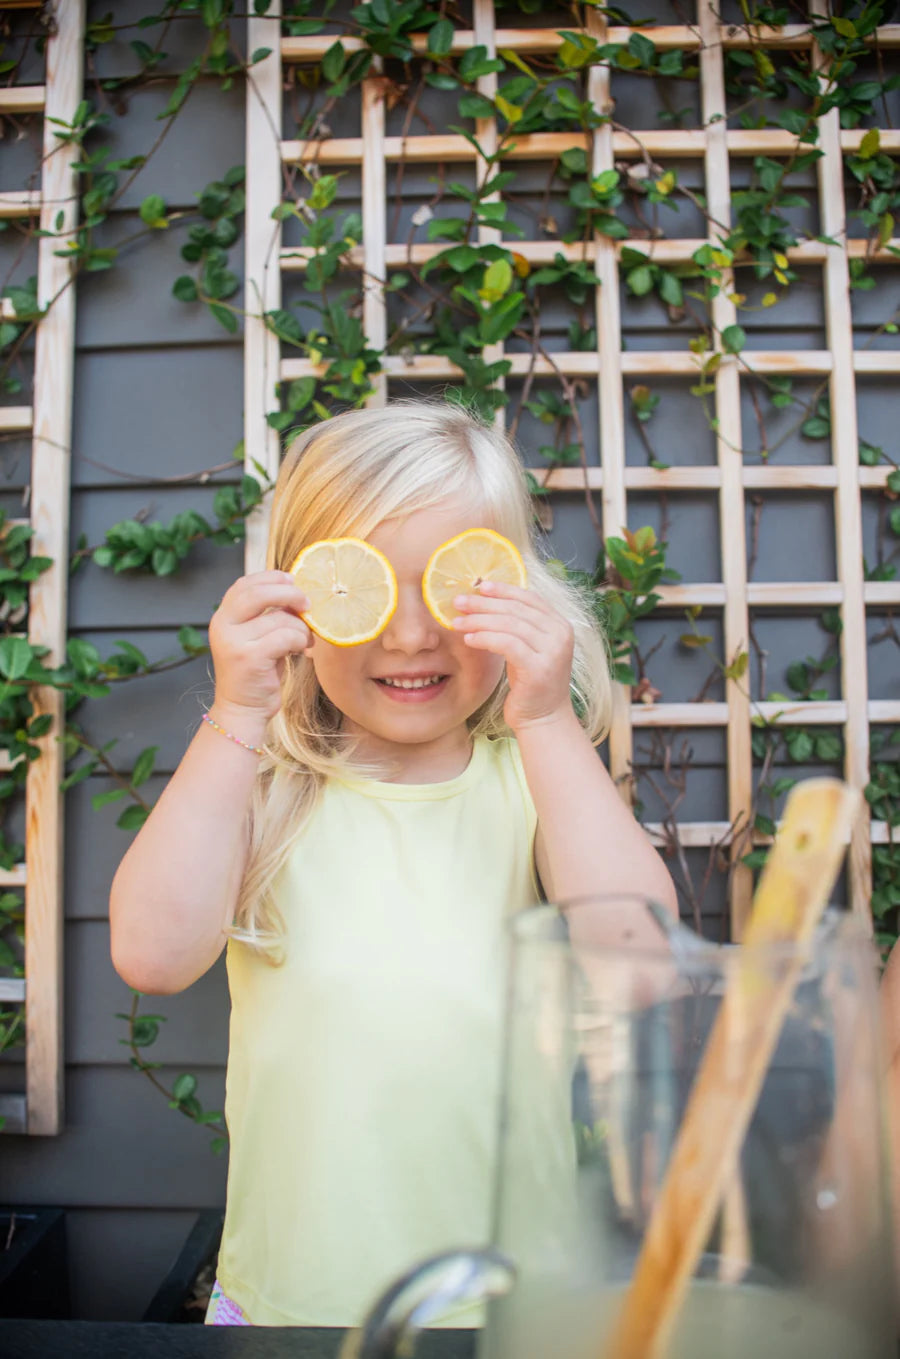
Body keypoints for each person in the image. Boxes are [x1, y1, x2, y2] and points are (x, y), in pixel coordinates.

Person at [109, 399, 677, 1328]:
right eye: (368, 584)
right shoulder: (259, 786)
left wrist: (545, 719)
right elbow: (152, 955)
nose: (412, 634)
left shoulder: (532, 778)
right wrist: (238, 713)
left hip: (511, 1310)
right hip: (292, 1305)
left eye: (456, 587)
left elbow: (641, 960)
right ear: (303, 597)